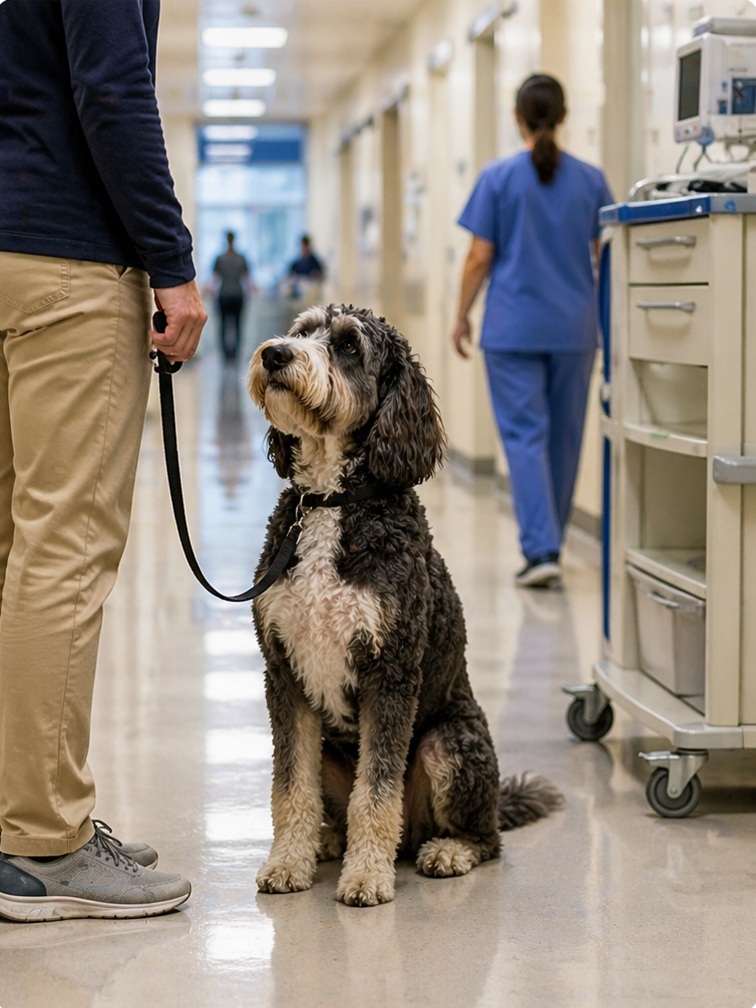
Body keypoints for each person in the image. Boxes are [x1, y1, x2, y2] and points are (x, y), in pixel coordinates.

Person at [0, 0, 207, 922]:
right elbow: (113, 87)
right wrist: (170, 261)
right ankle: (44, 841)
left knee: (13, 548)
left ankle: (15, 810)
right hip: (67, 262)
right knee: (61, 551)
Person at [452, 73, 613, 589]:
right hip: (574, 329)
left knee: (525, 439)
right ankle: (552, 544)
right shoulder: (591, 181)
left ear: (517, 117)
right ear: (563, 117)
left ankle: (540, 548)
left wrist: (461, 314)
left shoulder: (499, 178)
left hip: (513, 330)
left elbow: (479, 257)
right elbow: (605, 258)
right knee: (565, 440)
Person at [211, 231, 252, 363]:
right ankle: (234, 355)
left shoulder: (220, 258)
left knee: (223, 326)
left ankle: (226, 355)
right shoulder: (241, 258)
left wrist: (210, 290)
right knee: (237, 325)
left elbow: (215, 279)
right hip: (237, 295)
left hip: (224, 295)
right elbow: (247, 279)